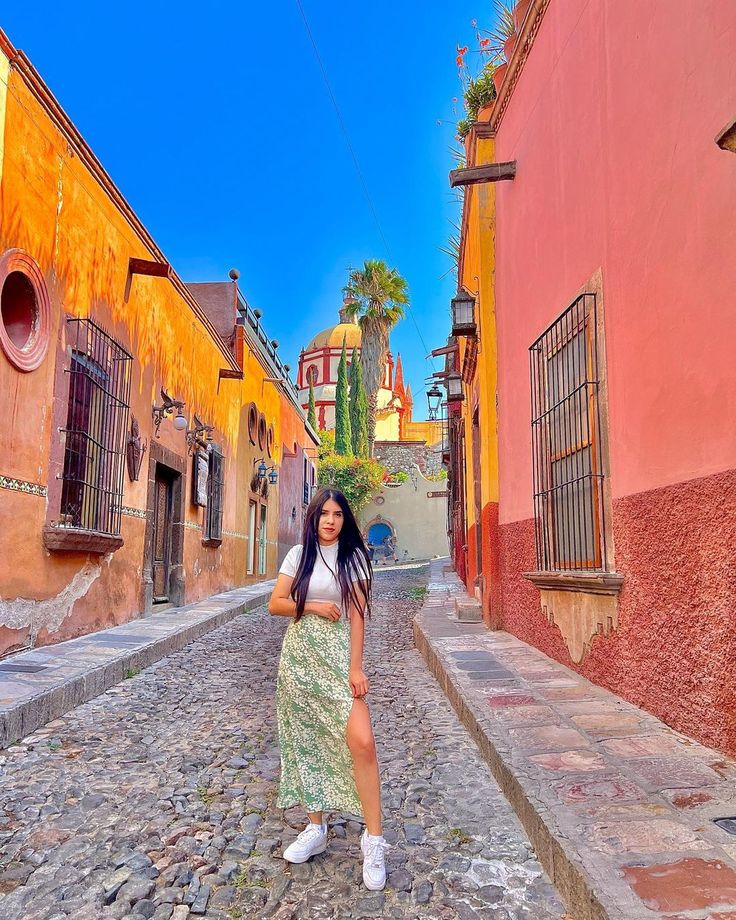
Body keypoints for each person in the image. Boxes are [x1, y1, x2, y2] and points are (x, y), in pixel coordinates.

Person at [268, 487, 390, 891]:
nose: (331, 521)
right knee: (308, 743)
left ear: (345, 520)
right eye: (324, 514)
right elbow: (276, 603)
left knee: (363, 741)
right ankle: (316, 827)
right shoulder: (298, 555)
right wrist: (315, 606)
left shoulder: (353, 557)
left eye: (338, 514)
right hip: (300, 661)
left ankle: (374, 840)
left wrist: (356, 668)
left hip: (338, 659)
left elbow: (357, 617)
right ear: (314, 517)